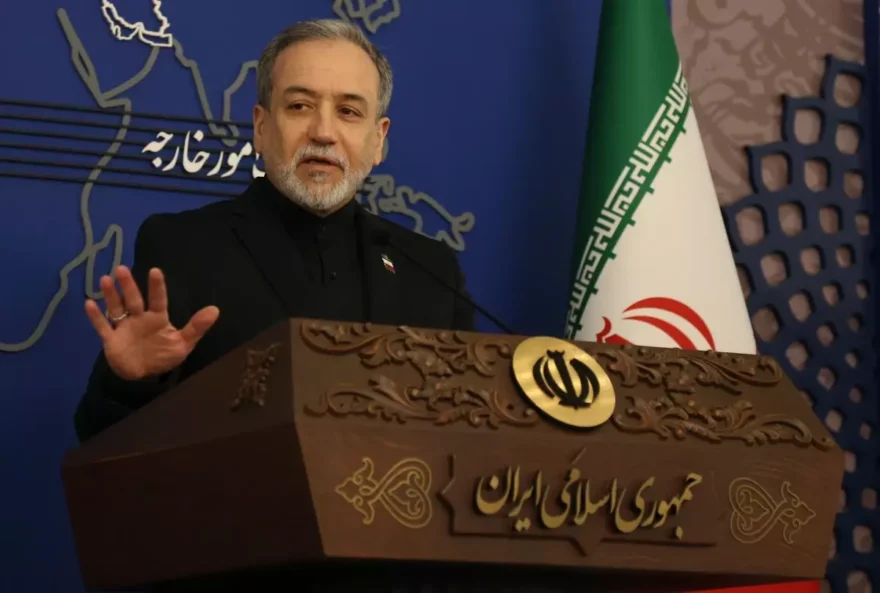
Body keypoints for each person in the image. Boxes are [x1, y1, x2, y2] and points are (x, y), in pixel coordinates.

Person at [73, 19, 475, 442]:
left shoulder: (431, 272)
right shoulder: (183, 247)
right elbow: (102, 441)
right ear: (261, 128)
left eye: (348, 112)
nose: (323, 132)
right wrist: (134, 382)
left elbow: (468, 435)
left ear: (378, 140)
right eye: (299, 106)